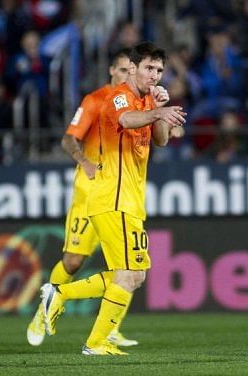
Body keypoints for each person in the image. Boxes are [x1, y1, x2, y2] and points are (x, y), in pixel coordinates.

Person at [39, 41, 186, 355]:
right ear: (131, 68)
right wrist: (156, 110)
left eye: (159, 70)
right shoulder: (118, 96)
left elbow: (159, 141)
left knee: (134, 273)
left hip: (131, 201)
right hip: (113, 198)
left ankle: (61, 295)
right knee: (130, 274)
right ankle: (94, 340)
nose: (154, 75)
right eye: (148, 68)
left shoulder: (146, 101)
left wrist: (160, 113)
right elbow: (125, 120)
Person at [27, 48, 133, 347]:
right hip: (91, 193)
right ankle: (44, 308)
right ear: (112, 71)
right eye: (122, 70)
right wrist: (84, 161)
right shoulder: (95, 101)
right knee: (73, 262)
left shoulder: (135, 104)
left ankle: (109, 328)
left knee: (126, 268)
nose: (127, 76)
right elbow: (68, 139)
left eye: (131, 71)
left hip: (121, 194)